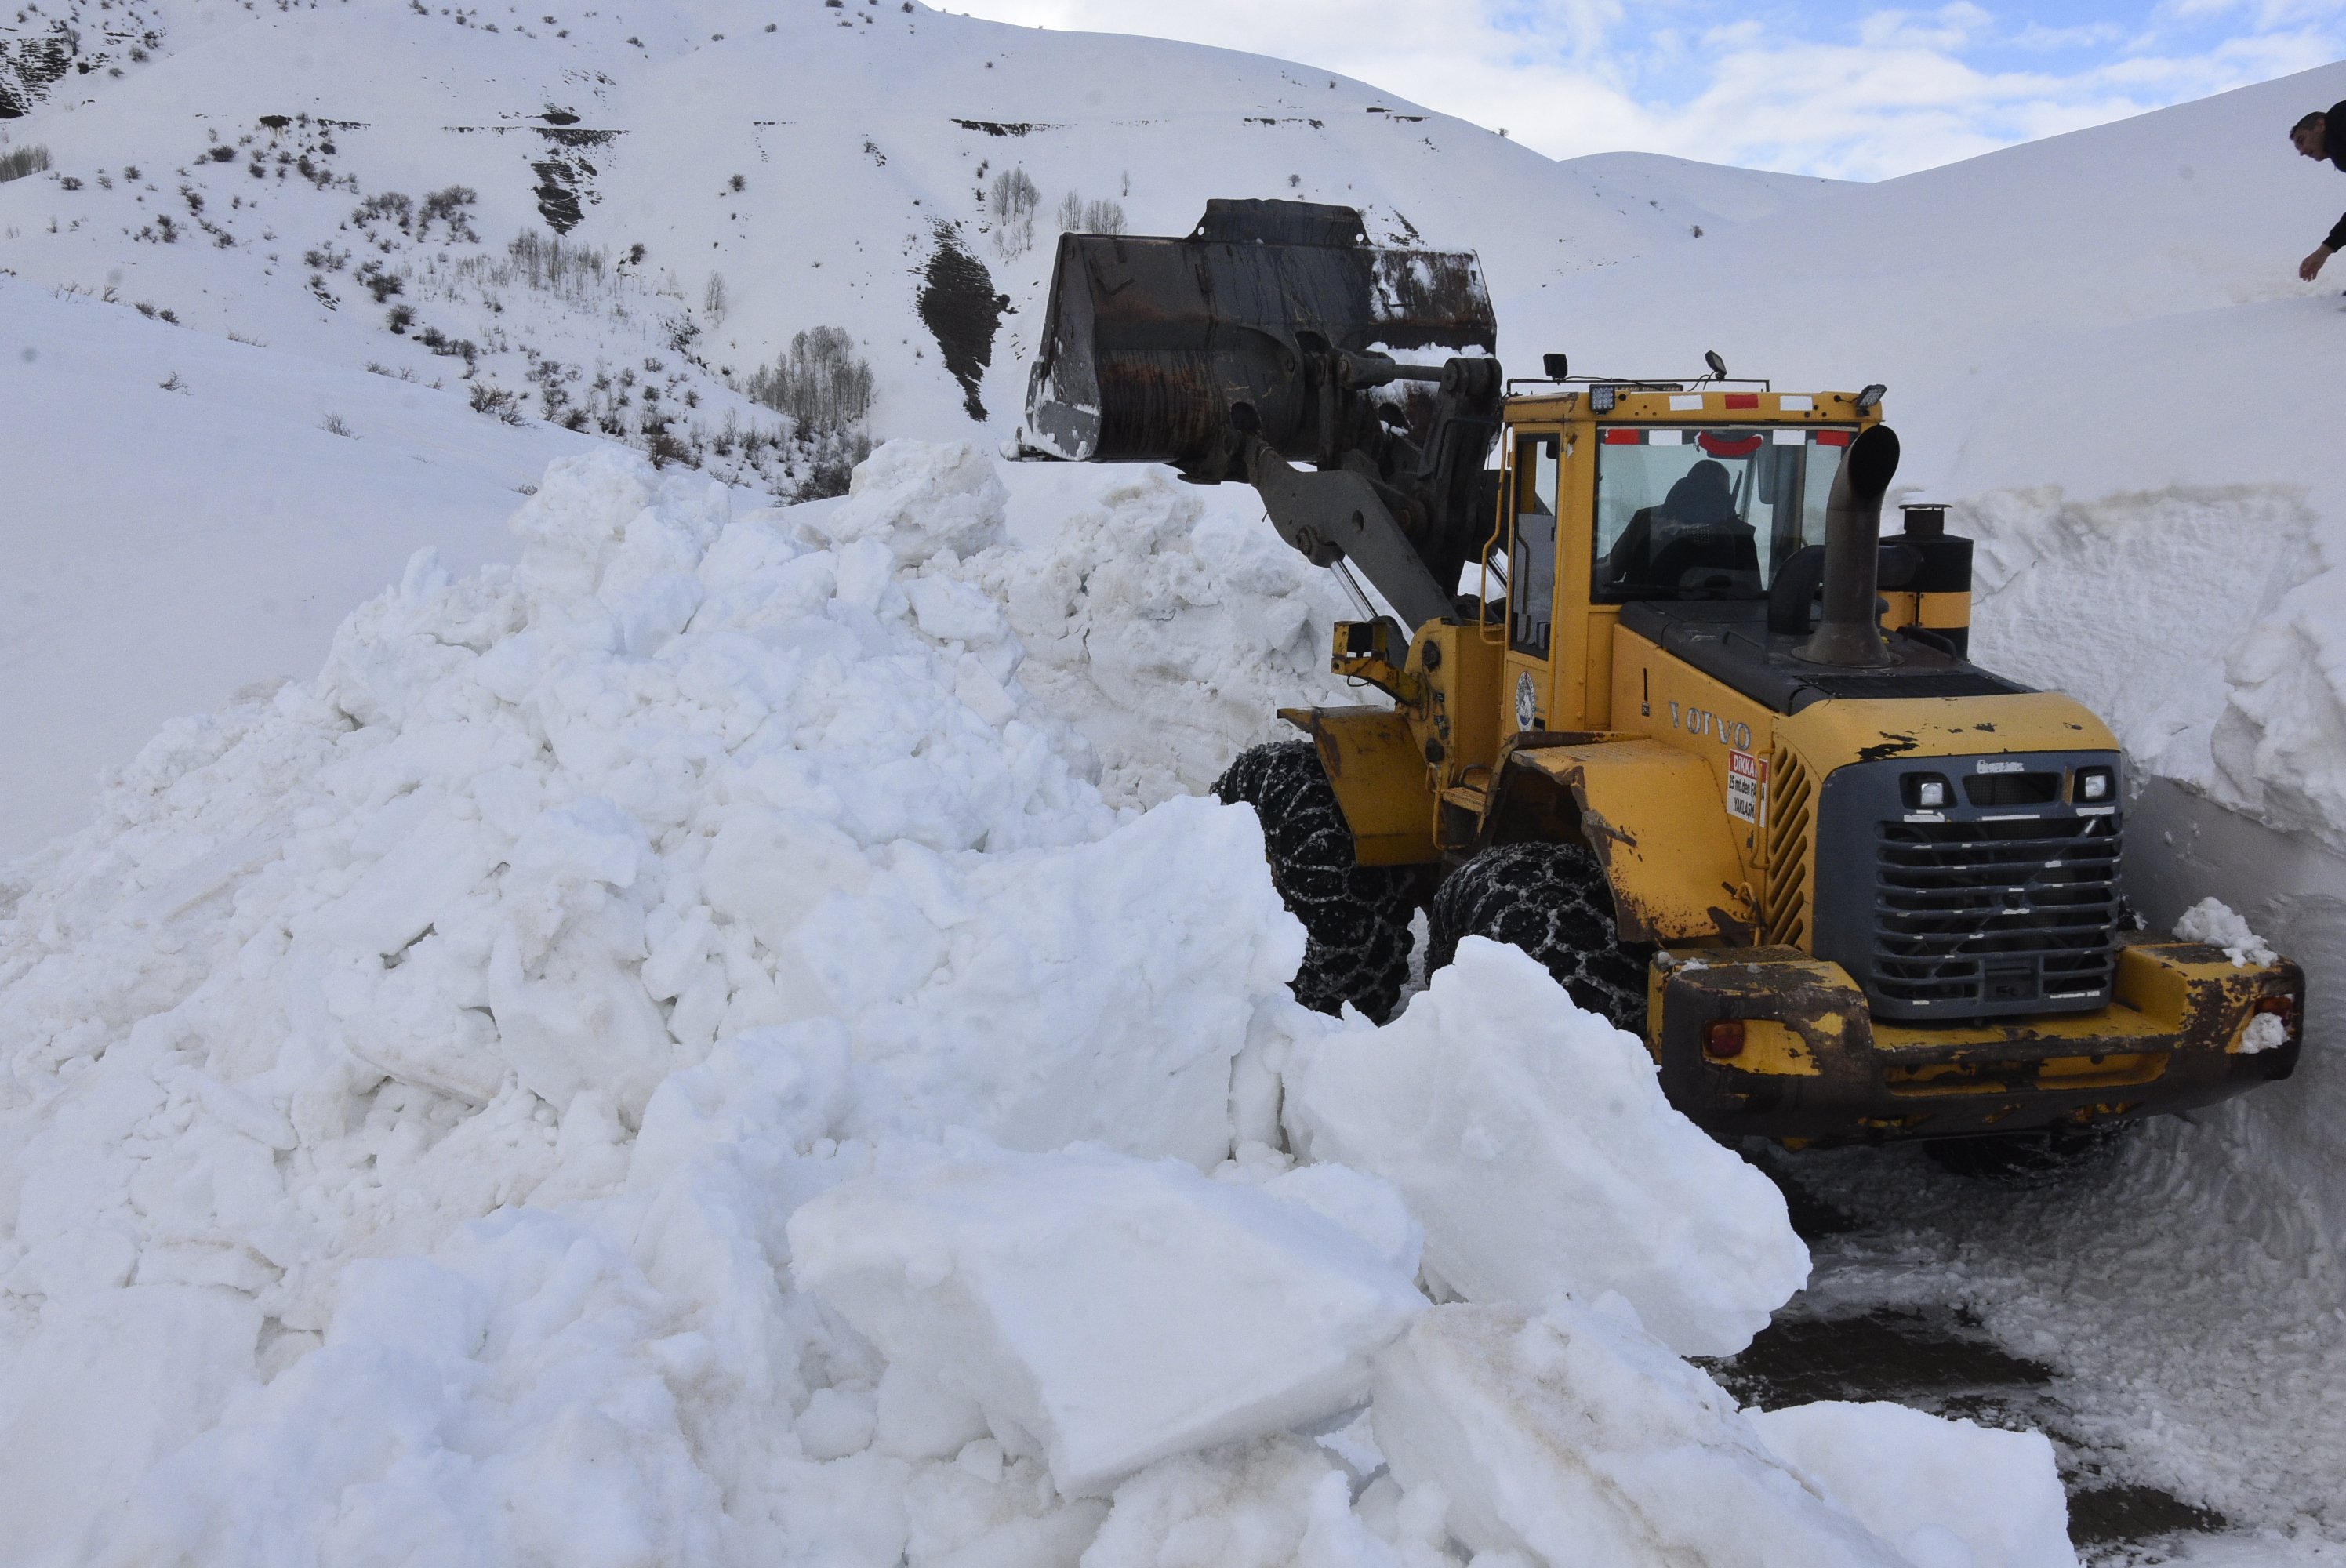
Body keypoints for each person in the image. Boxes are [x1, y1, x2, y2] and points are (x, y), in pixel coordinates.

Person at [2291, 100, 2346, 282]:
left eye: (2302, 140)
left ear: (2321, 125)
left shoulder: (2338, 119)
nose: (2302, 152)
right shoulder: (2340, 150)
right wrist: (2325, 251)